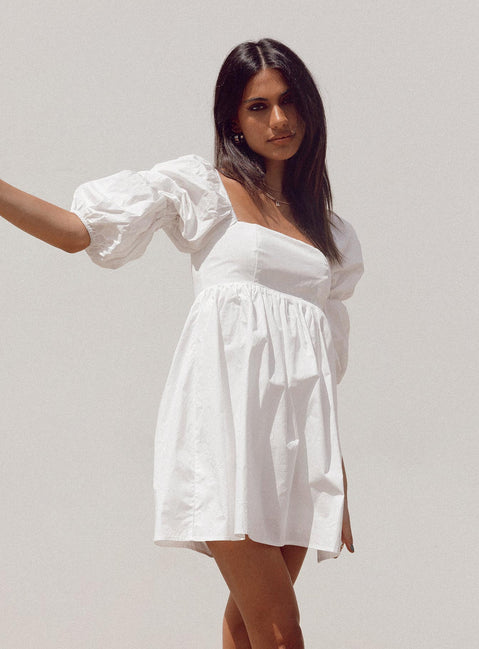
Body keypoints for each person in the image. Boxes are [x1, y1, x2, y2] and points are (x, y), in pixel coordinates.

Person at [1, 38, 364, 649]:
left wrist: (336, 477)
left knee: (246, 629)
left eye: (290, 101)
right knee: (281, 633)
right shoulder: (204, 190)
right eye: (258, 106)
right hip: (226, 435)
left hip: (297, 449)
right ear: (233, 120)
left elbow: (323, 365)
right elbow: (76, 232)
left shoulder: (332, 236)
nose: (279, 119)